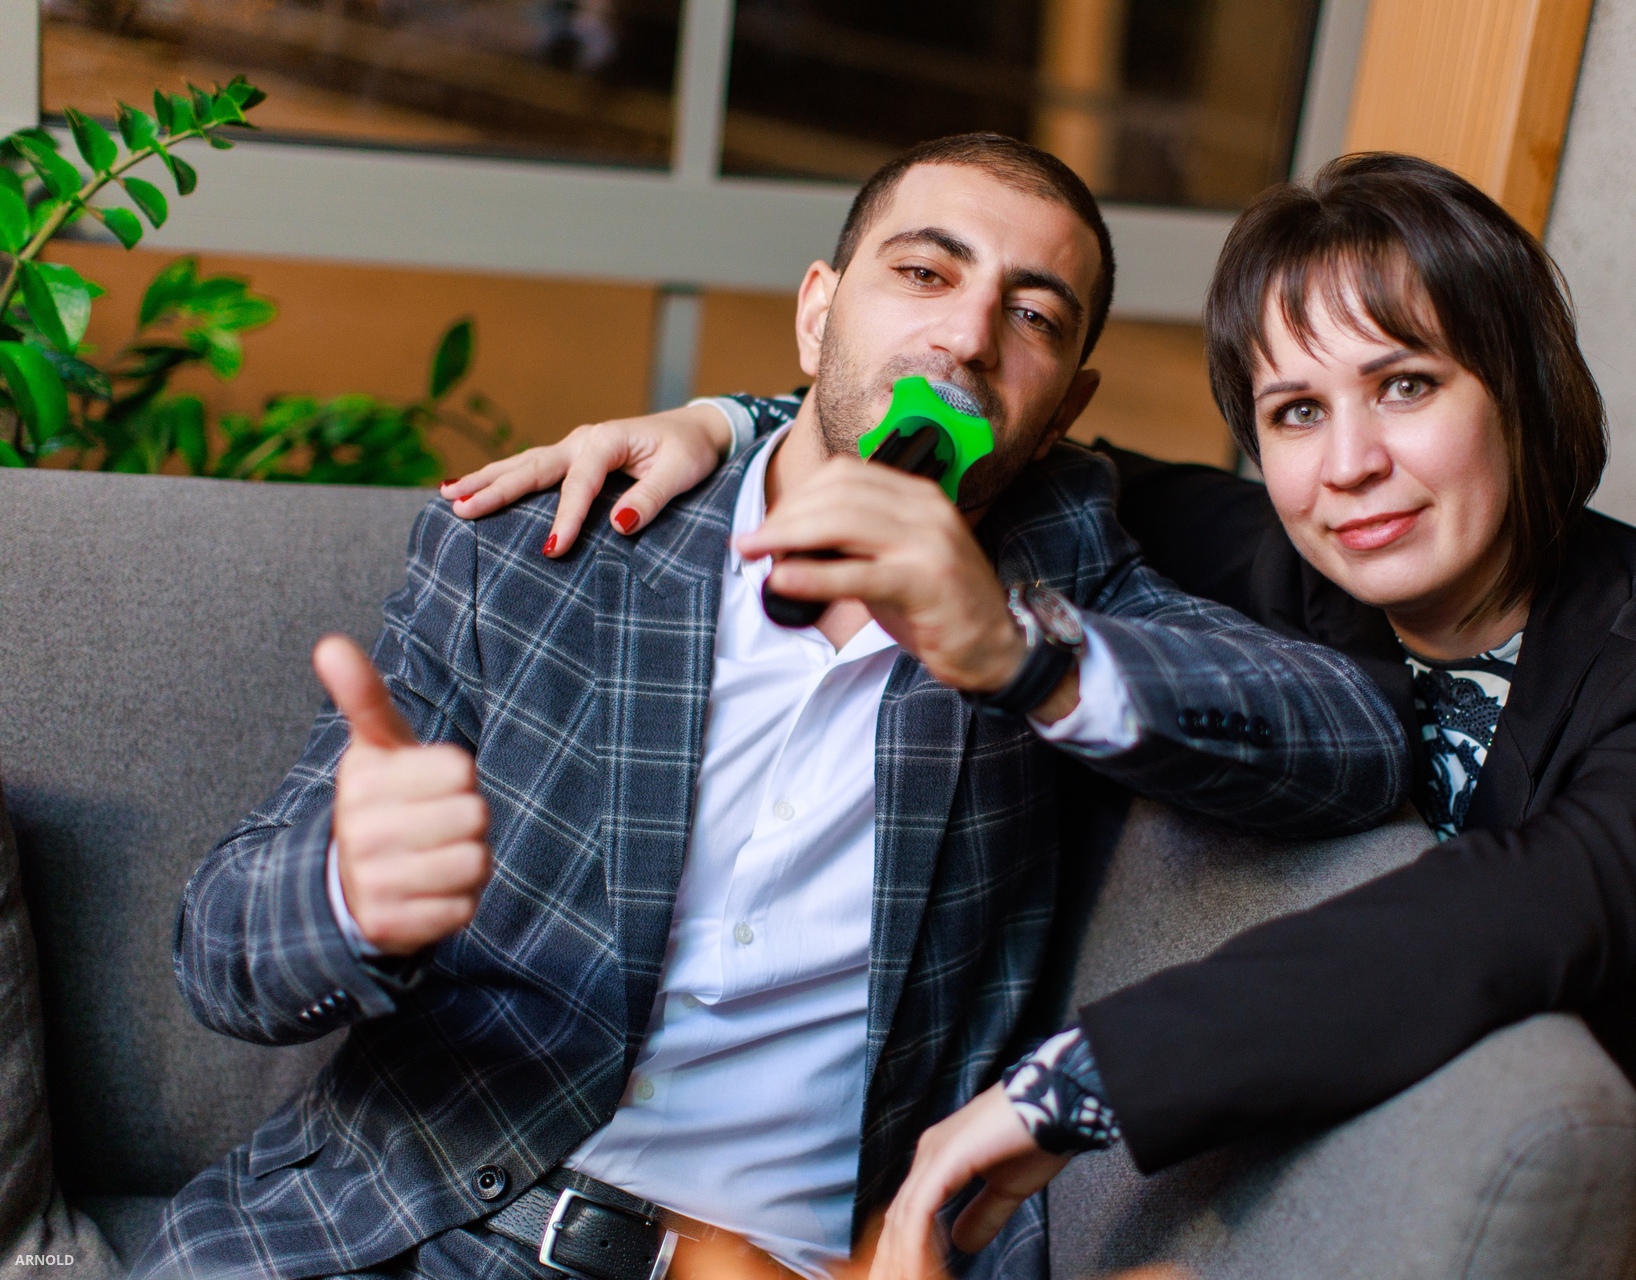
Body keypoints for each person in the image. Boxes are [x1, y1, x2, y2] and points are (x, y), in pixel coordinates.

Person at [472, 154, 1636, 1280]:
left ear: (1523, 385)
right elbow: (987, 420)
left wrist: (1070, 1087)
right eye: (1294, 411)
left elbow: (1524, 906)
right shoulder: (1266, 551)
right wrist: (725, 427)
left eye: (1407, 385)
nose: (1351, 464)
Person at [141, 135, 1407, 1280]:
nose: (967, 337)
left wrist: (1017, 651)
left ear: (1066, 404)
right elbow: (222, 954)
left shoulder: (1059, 584)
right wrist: (347, 896)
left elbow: (1353, 738)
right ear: (816, 315)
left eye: (1032, 314)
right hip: (406, 1232)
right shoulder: (536, 551)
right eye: (924, 272)